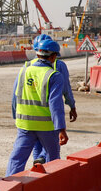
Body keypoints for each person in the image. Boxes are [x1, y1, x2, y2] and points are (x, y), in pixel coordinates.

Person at [6, 39, 68, 176]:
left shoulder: (24, 71)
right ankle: (51, 185)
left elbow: (15, 97)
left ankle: (8, 185)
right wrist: (61, 129)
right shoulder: (54, 75)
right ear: (53, 57)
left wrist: (16, 117)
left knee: (17, 159)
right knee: (53, 161)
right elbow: (55, 104)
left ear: (38, 54)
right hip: (46, 127)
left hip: (25, 125)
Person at [28, 34, 76, 165]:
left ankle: (38, 171)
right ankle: (47, 167)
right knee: (52, 148)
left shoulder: (28, 66)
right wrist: (72, 106)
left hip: (31, 114)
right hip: (49, 114)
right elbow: (66, 88)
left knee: (36, 146)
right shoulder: (59, 65)